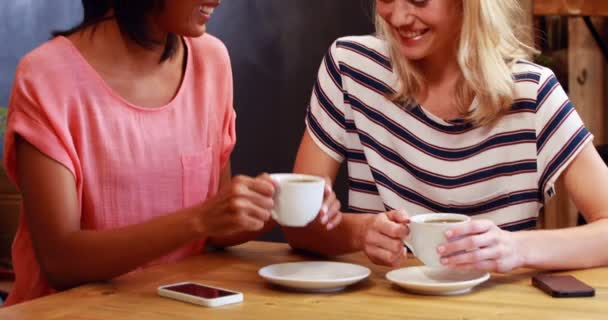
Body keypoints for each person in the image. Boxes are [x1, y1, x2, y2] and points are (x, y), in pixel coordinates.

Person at [1, 0, 339, 306]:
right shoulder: (46, 77)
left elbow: (214, 228)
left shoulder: (211, 60)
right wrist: (199, 218)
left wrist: (277, 205)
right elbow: (61, 261)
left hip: (175, 307)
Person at [283, 0, 608, 273]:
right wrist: (359, 233)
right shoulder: (350, 67)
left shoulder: (532, 93)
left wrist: (514, 248)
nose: (397, 16)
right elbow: (299, 227)